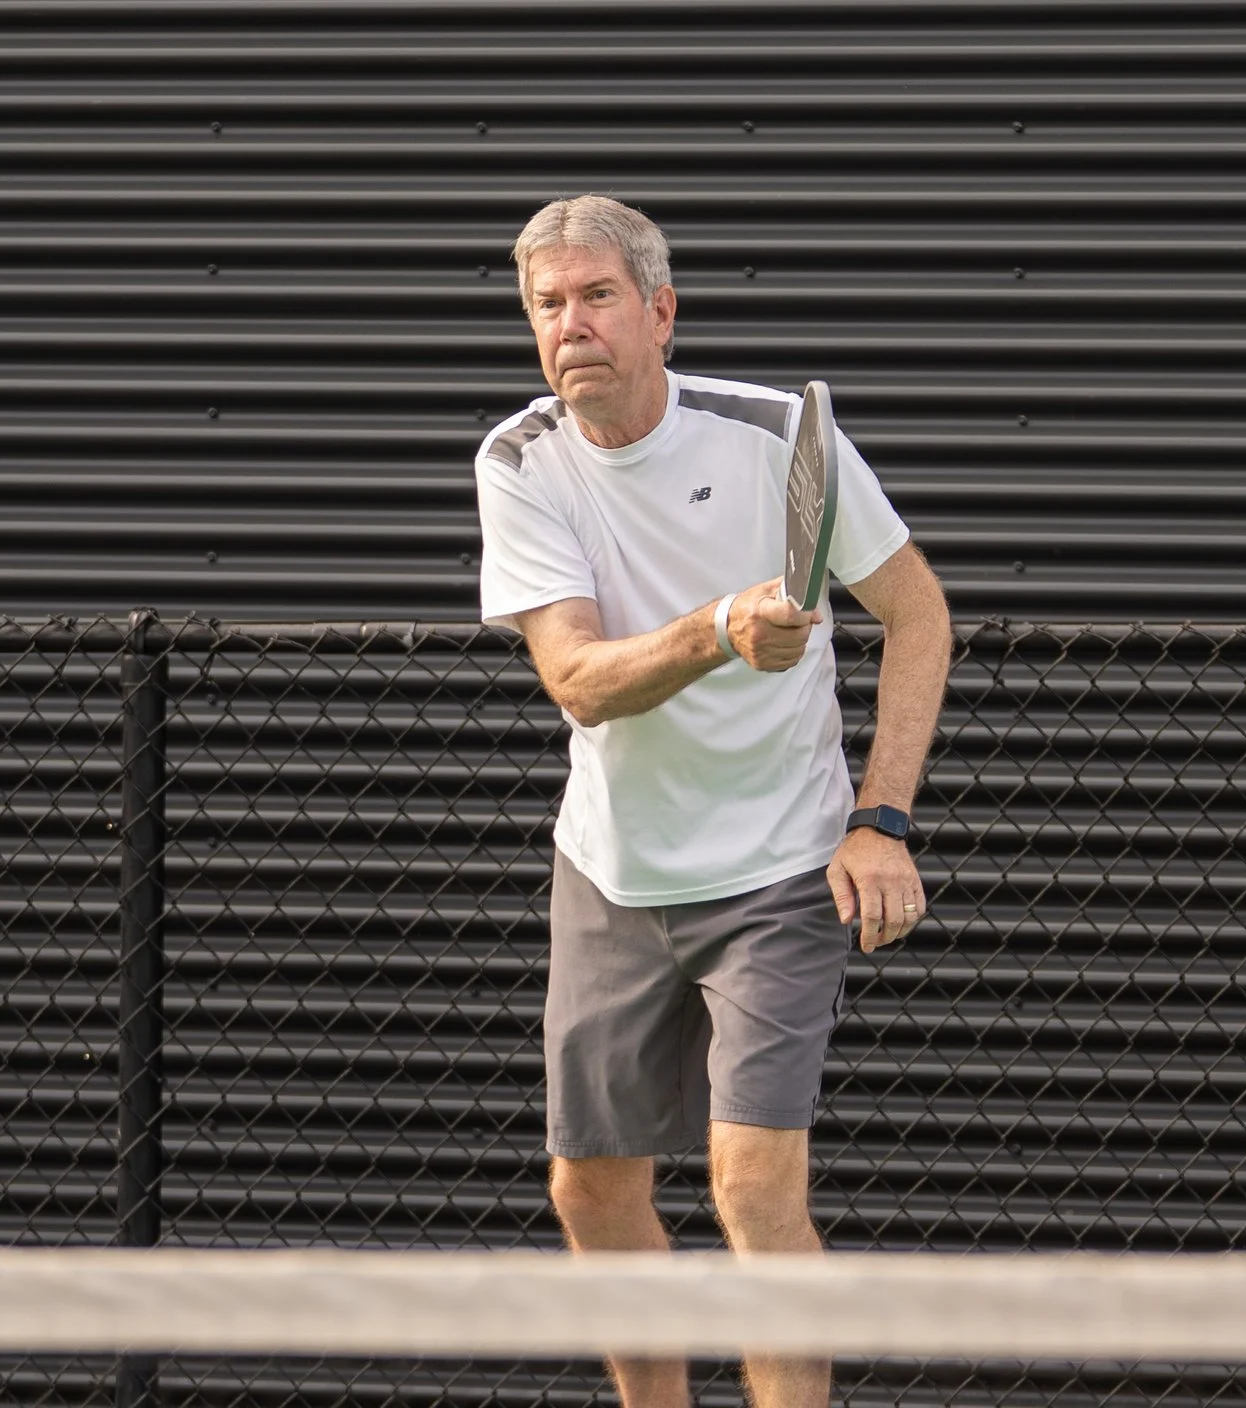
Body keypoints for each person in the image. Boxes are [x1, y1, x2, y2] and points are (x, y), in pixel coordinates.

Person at [473, 194, 952, 1408]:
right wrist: (720, 630)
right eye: (546, 305)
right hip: (613, 870)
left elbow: (917, 614)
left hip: (780, 868)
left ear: (659, 311)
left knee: (749, 1182)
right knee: (589, 1189)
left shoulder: (776, 431)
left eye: (594, 296)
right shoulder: (519, 459)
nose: (568, 324)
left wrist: (880, 816)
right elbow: (577, 681)